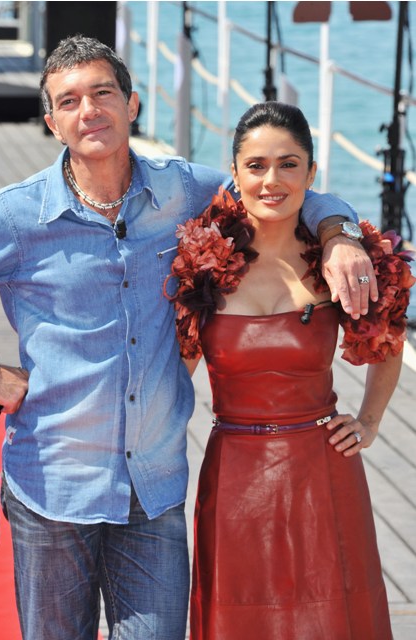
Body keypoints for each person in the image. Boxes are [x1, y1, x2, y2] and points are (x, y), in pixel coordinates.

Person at [0, 35, 378, 640]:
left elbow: (276, 187)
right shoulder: (15, 217)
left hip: (153, 492)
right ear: (50, 122)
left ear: (133, 104)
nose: (89, 110)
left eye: (103, 93)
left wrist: (337, 234)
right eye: (69, 101)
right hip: (52, 488)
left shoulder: (185, 191)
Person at [166, 101, 415, 640]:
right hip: (234, 474)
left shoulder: (342, 262)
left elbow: (387, 340)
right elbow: (173, 374)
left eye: (288, 164)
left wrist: (369, 422)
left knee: (331, 616)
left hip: (323, 471)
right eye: (256, 166)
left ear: (311, 173)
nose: (272, 180)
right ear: (234, 175)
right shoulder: (204, 265)